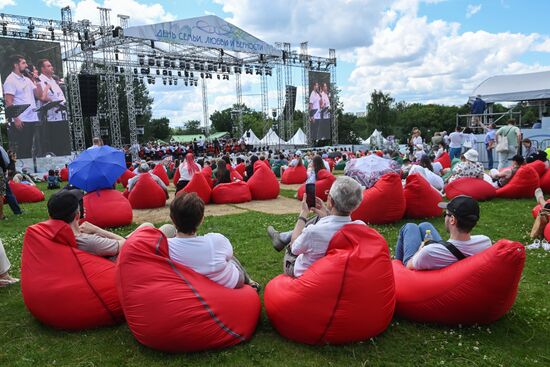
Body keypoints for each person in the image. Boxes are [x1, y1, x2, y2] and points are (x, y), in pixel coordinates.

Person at [266, 176, 364, 277]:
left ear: (331, 201)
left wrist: (303, 214)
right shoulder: (361, 227)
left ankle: (282, 238)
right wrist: (326, 213)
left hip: (306, 273)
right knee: (318, 218)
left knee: (292, 247)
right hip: (335, 270)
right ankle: (282, 237)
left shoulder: (314, 232)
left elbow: (294, 248)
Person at [167, 192, 260, 290]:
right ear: (202, 219)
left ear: (172, 219)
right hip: (229, 282)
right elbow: (229, 256)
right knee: (229, 257)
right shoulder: (216, 241)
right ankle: (249, 281)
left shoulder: (165, 245)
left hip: (190, 287)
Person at [395, 195, 491, 270]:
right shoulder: (485, 242)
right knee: (425, 225)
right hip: (450, 251)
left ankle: (395, 267)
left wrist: (420, 249)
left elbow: (409, 266)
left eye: (446, 214)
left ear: (452, 220)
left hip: (419, 266)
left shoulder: (429, 252)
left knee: (409, 227)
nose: (445, 217)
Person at [3, 55, 46, 159]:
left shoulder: (27, 80)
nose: (26, 65)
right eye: (23, 63)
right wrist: (16, 118)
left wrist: (38, 82)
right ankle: (22, 173)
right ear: (16, 65)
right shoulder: (10, 80)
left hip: (31, 118)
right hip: (21, 120)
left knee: (30, 148)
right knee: (23, 149)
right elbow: (9, 101)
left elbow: (39, 95)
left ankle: (29, 171)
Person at [37, 58, 69, 156]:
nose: (52, 67)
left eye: (51, 65)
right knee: (55, 144)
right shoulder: (41, 80)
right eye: (48, 66)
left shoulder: (53, 80)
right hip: (51, 118)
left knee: (64, 144)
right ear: (42, 69)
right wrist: (54, 101)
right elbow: (42, 96)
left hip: (62, 115)